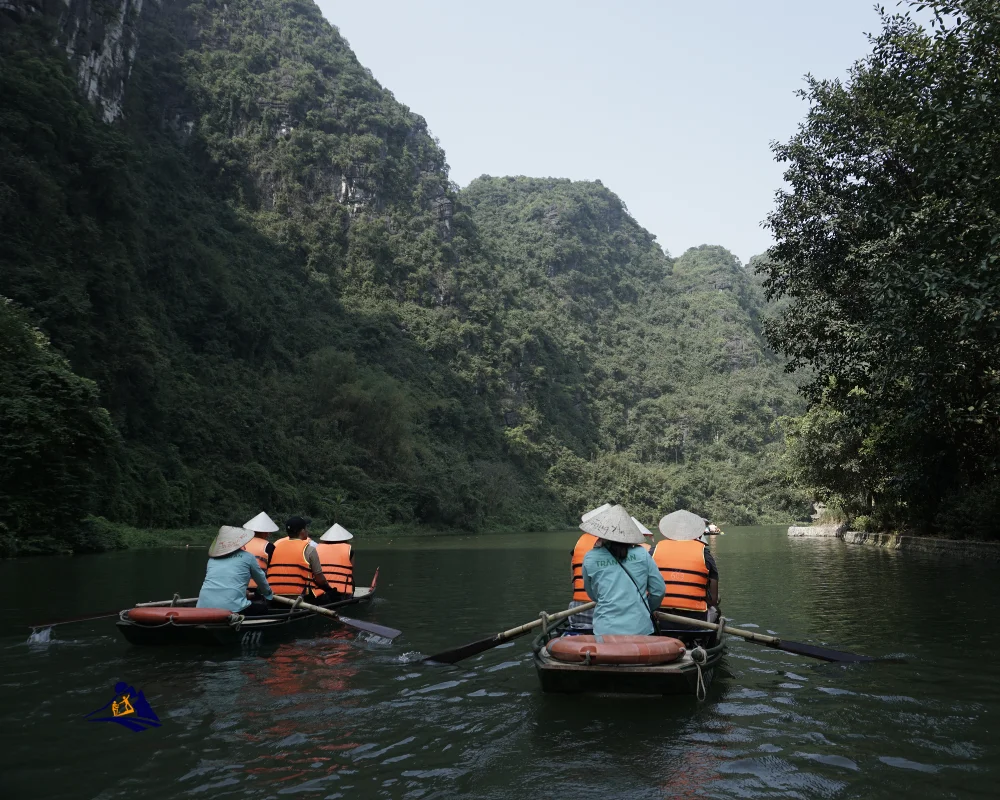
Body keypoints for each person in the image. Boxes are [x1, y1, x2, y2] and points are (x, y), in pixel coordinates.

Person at [581, 504, 665, 636]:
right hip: (640, 628)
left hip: (605, 630)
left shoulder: (590, 557)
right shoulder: (642, 554)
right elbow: (658, 591)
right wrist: (646, 607)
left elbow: (592, 594)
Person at [653, 509, 720, 627]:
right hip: (694, 620)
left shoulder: (654, 551)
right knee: (716, 609)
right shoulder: (705, 553)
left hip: (659, 617)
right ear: (697, 533)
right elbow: (713, 599)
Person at [197, 526, 274, 615]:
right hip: (233, 607)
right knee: (263, 609)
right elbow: (261, 581)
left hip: (202, 606)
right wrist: (268, 594)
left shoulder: (212, 560)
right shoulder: (248, 557)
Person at [266, 516, 336, 600]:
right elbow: (320, 579)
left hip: (275, 595)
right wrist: (329, 589)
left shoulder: (275, 547)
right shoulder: (309, 549)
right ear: (302, 531)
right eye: (306, 529)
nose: (307, 531)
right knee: (332, 595)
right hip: (301, 596)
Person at [568, 503, 611, 630]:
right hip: (606, 612)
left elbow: (573, 583)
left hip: (577, 610)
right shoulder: (615, 545)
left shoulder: (578, 546)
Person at [313, 523, 355, 604]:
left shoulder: (316, 549)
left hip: (320, 591)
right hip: (342, 593)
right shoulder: (350, 551)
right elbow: (351, 571)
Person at [242, 511, 279, 593]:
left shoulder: (241, 544)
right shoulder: (269, 546)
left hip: (239, 585)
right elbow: (273, 569)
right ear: (266, 532)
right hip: (258, 588)